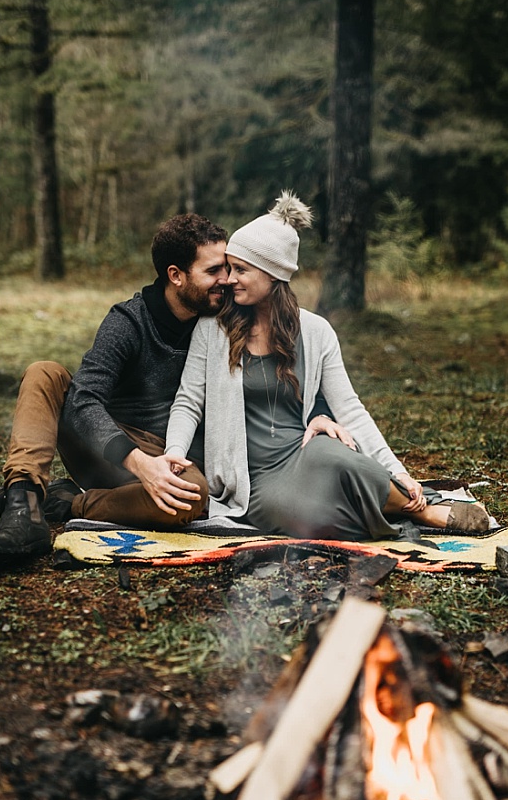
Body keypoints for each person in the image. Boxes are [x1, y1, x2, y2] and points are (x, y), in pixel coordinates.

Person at [0, 214, 346, 567]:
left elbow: (290, 358)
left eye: (230, 267)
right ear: (176, 275)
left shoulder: (229, 316)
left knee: (191, 497)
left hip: (175, 459)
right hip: (110, 448)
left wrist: (319, 410)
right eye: (214, 270)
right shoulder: (129, 322)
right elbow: (86, 398)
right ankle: (24, 504)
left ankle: (69, 503)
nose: (228, 279)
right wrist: (137, 461)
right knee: (45, 373)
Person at [154, 192, 490, 540]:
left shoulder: (316, 332)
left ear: (272, 275)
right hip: (252, 480)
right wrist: (175, 453)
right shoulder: (213, 329)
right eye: (229, 269)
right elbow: (188, 400)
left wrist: (397, 470)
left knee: (338, 457)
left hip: (304, 452)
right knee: (313, 522)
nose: (229, 279)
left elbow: (351, 409)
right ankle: (413, 510)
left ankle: (419, 507)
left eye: (241, 269)